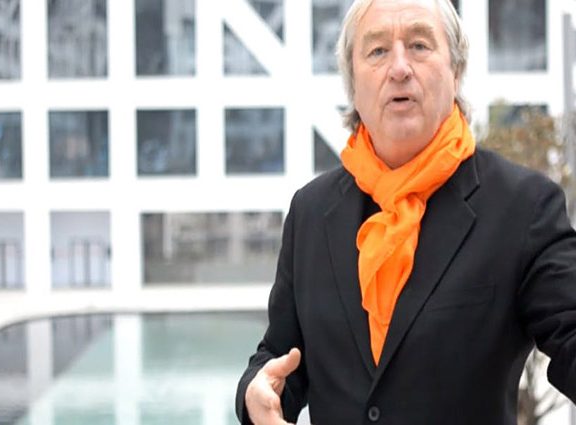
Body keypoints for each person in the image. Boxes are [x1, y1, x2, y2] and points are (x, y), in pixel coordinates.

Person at [236, 0, 576, 423]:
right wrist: (255, 391)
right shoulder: (311, 212)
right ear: (353, 83)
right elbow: (280, 356)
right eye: (377, 51)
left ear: (456, 70)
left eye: (419, 45)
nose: (399, 68)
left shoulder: (522, 207)